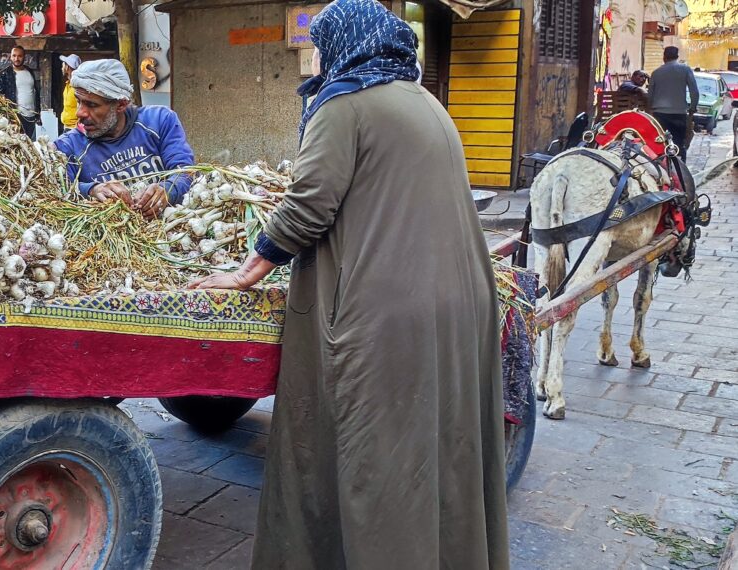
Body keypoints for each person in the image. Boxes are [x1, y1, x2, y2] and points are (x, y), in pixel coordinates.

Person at [189, 1, 509, 568]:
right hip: (459, 301)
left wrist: (247, 270)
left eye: (319, 43)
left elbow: (309, 205)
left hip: (385, 309)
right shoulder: (425, 101)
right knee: (434, 449)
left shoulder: (346, 104)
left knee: (372, 455)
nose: (314, 56)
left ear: (343, 43)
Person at [53, 59, 196, 221]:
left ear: (121, 105)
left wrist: (168, 190)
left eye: (91, 105)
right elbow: (54, 190)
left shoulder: (159, 120)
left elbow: (186, 171)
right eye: (79, 101)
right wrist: (91, 189)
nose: (80, 113)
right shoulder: (67, 147)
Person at [650, 46, 699, 160]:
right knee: (679, 144)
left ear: (664, 57)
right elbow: (694, 92)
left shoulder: (656, 73)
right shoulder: (685, 70)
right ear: (677, 57)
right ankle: (681, 171)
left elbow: (650, 94)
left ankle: (663, 170)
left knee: (661, 144)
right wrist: (692, 108)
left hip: (660, 114)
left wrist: (650, 110)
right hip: (679, 113)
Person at [0, 46, 41, 140]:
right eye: (14, 56)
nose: (16, 59)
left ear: (24, 57)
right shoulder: (4, 74)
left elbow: (35, 92)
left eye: (19, 56)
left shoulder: (29, 71)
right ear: (10, 57)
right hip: (15, 117)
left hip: (32, 116)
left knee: (31, 144)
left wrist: (38, 113)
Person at [59, 54, 82, 133]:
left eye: (63, 64)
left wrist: (78, 128)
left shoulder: (77, 87)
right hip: (67, 126)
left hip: (74, 128)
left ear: (67, 67)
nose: (62, 67)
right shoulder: (68, 84)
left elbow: (80, 107)